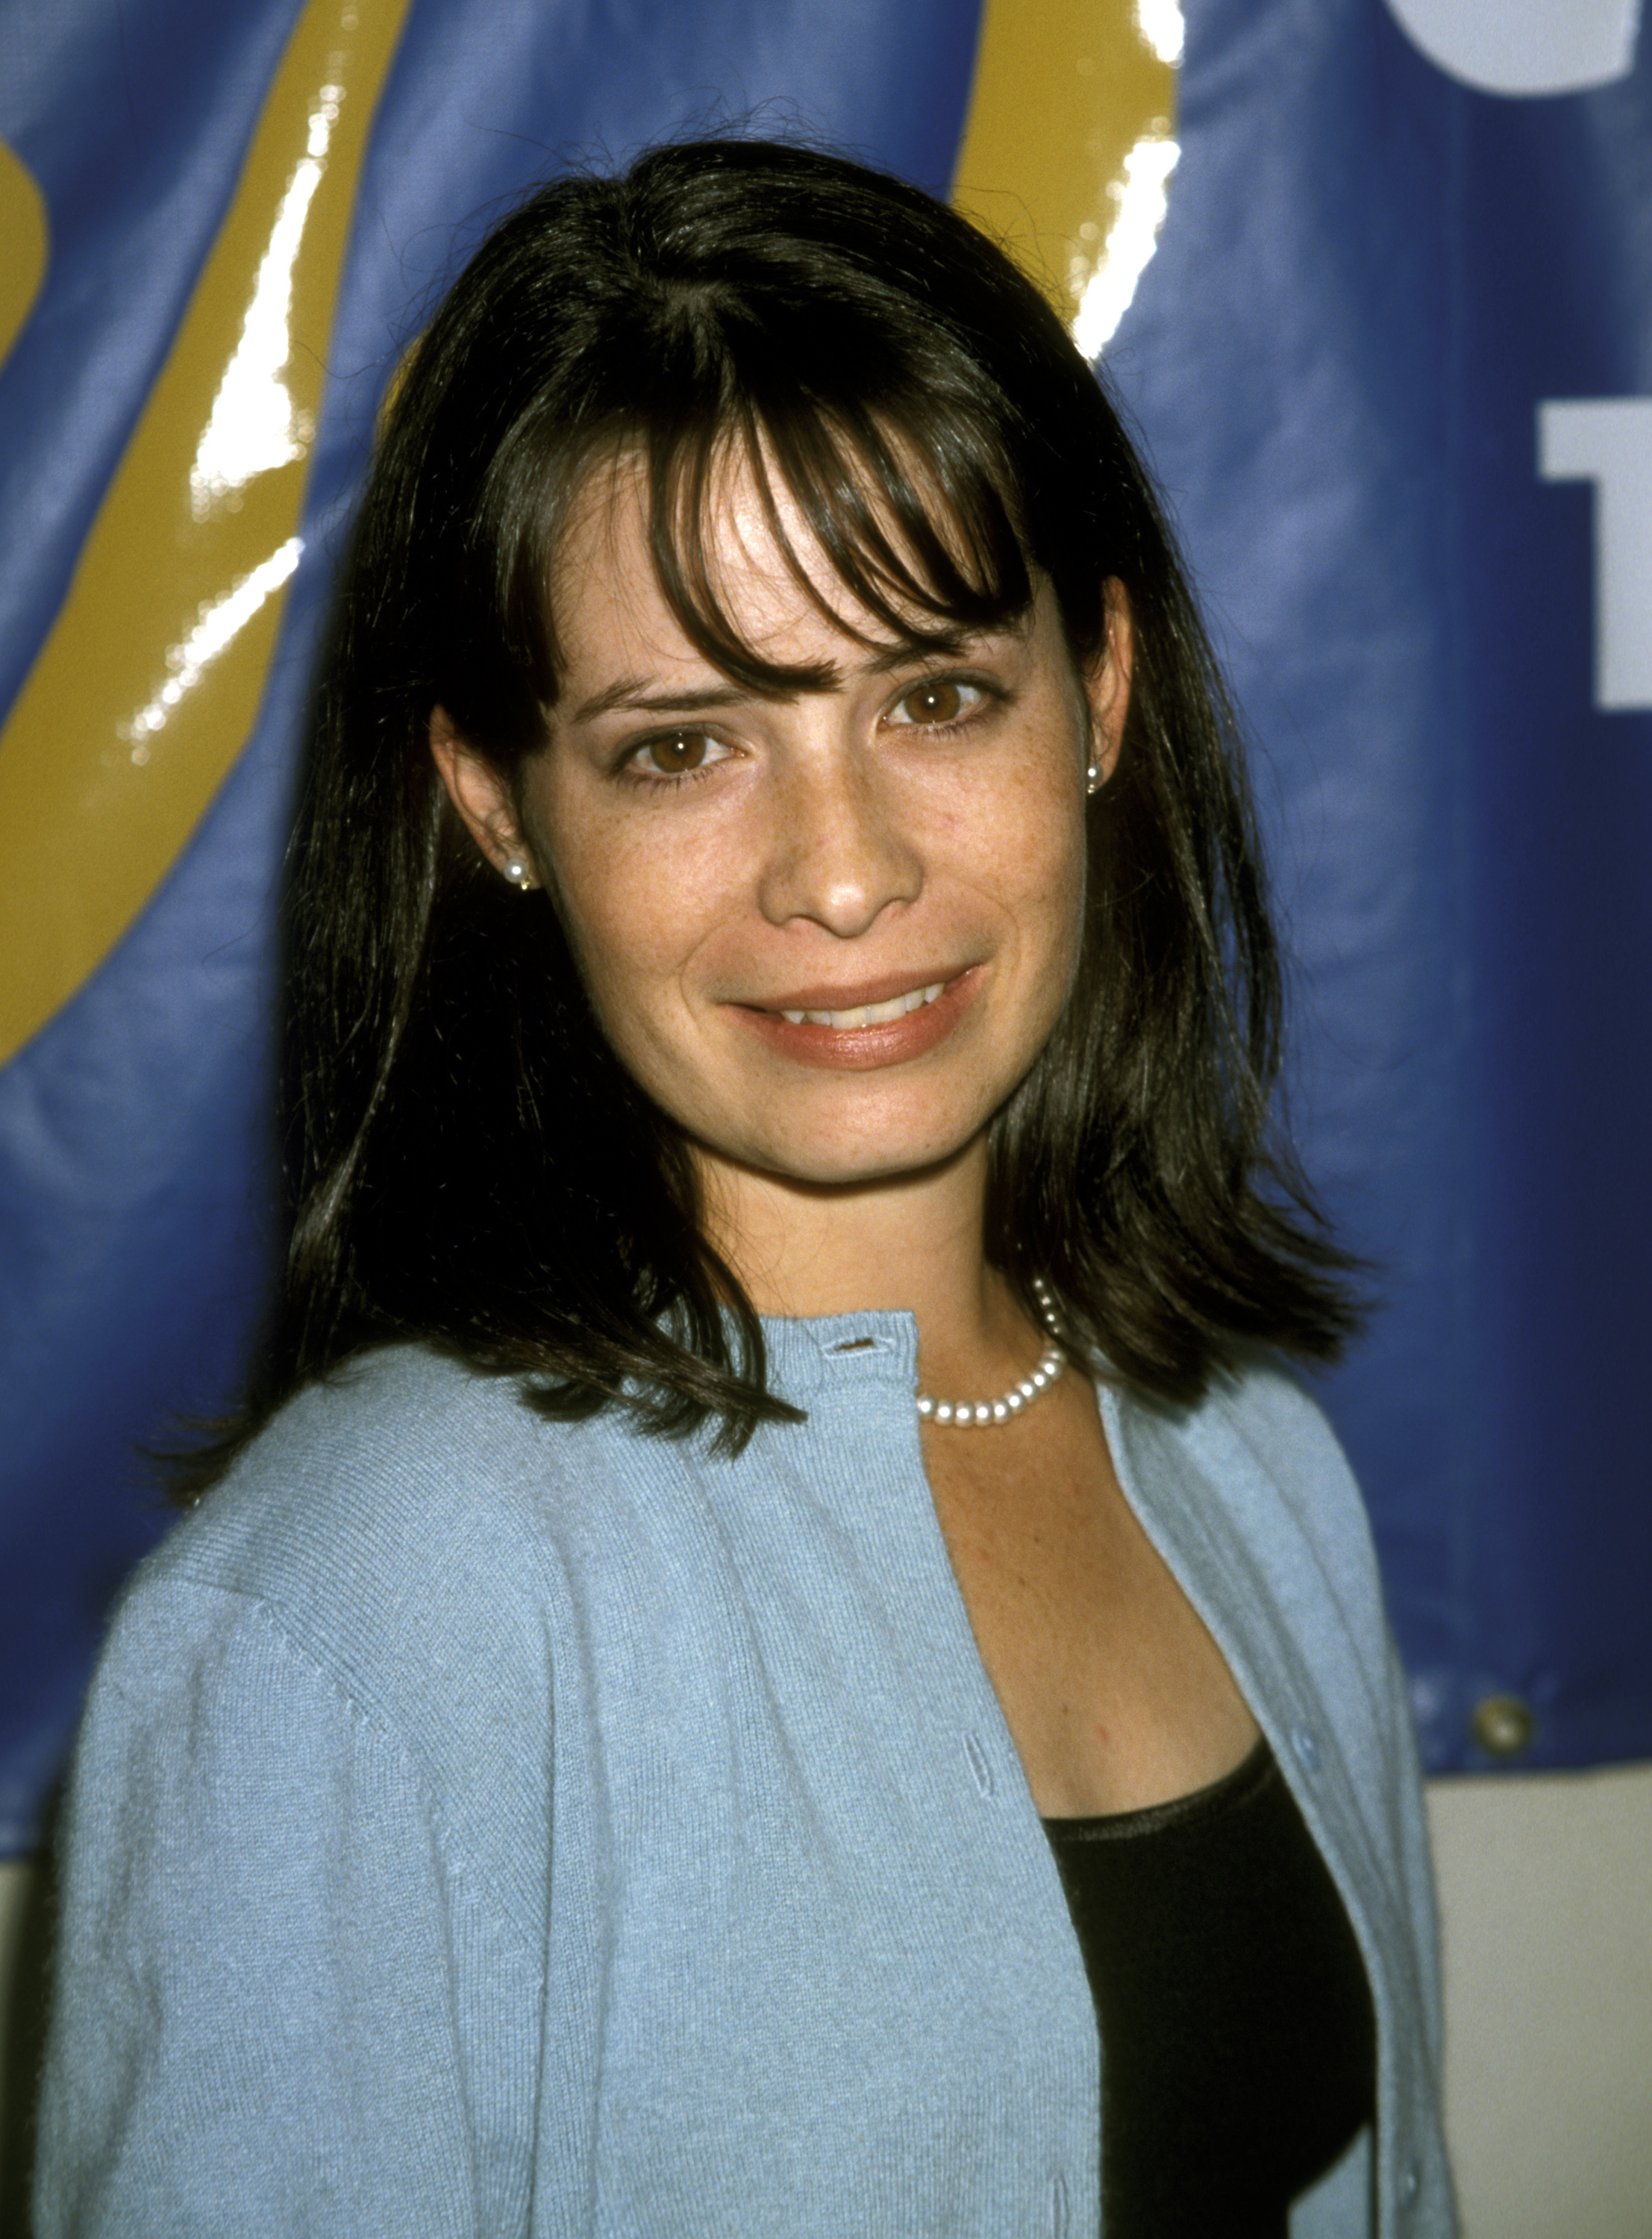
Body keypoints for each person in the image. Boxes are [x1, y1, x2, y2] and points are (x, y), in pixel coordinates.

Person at [34, 138, 1452, 2236]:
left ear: (1103, 695)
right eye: (682, 746)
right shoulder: (339, 1624)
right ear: (497, 806)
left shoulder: (1256, 1466)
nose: (847, 869)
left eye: (940, 695)